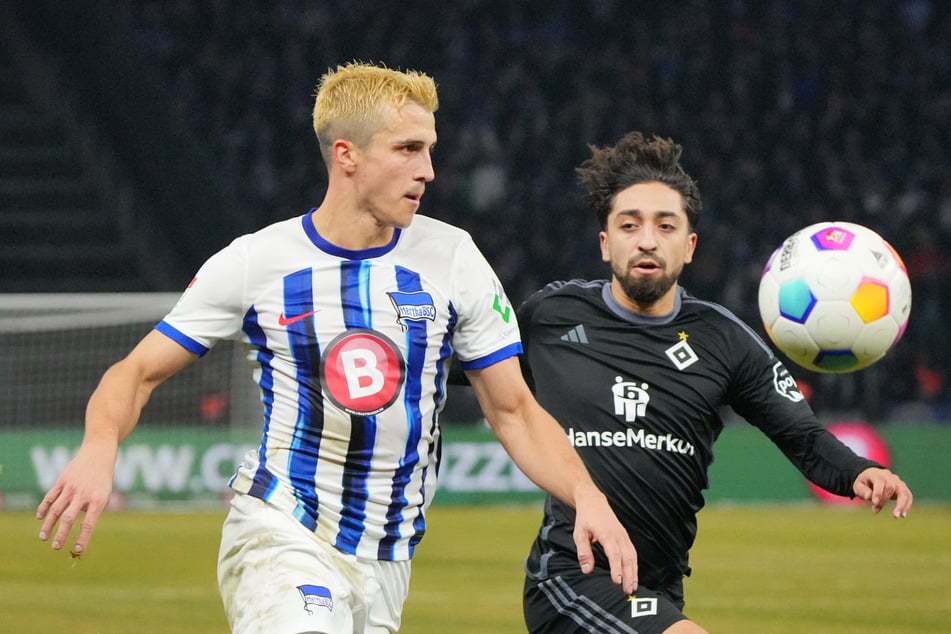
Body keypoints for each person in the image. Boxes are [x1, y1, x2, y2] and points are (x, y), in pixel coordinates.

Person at [35, 61, 637, 633]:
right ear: (347, 156)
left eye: (429, 149)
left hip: (387, 557)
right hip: (283, 529)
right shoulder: (258, 263)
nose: (428, 169)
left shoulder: (453, 258)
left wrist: (586, 494)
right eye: (407, 149)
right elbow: (136, 372)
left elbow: (514, 411)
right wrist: (98, 446)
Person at [519, 131, 914, 634]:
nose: (646, 240)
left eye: (666, 226)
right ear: (605, 242)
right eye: (629, 225)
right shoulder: (551, 316)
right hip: (572, 576)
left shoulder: (726, 340)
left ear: (689, 246)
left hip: (659, 585)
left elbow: (801, 436)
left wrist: (859, 471)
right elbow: (473, 371)